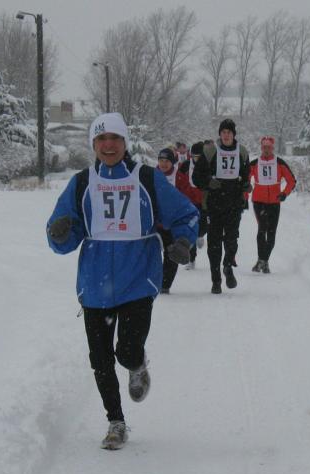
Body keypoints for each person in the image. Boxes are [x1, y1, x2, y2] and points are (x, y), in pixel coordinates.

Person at [47, 113, 199, 450]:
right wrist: (59, 234)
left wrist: (183, 240)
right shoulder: (82, 183)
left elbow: (187, 213)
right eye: (101, 139)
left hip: (137, 280)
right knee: (100, 360)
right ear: (93, 144)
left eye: (115, 138)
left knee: (126, 351)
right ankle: (116, 422)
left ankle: (137, 365)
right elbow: (64, 234)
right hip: (94, 284)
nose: (108, 145)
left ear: (124, 142)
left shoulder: (145, 178)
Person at [192, 119, 250, 294]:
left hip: (234, 203)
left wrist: (246, 185)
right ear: (219, 134)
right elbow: (196, 177)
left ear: (234, 134)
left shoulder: (242, 152)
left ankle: (227, 265)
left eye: (229, 132)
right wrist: (209, 182)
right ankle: (216, 280)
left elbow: (246, 174)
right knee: (214, 243)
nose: (226, 135)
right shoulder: (210, 151)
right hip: (214, 204)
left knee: (232, 239)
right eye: (223, 132)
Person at [248, 136, 297, 273]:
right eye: (264, 147)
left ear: (272, 148)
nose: (266, 150)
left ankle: (263, 261)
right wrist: (246, 189)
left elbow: (292, 181)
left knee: (271, 232)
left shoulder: (279, 163)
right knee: (262, 229)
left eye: (269, 147)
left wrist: (284, 193)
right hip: (259, 201)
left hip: (275, 202)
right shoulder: (254, 163)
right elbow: (245, 179)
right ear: (261, 148)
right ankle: (262, 261)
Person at [156, 147, 186, 293]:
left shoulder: (179, 177)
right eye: (161, 160)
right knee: (151, 254)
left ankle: (165, 285)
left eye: (167, 161)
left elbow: (186, 198)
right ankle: (152, 281)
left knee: (172, 254)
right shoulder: (151, 175)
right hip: (155, 223)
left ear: (172, 162)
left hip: (172, 224)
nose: (163, 164)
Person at [175, 141, 206, 269]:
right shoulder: (185, 166)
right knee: (190, 230)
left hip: (204, 202)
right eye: (194, 156)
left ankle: (201, 235)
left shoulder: (209, 165)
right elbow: (179, 181)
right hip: (189, 202)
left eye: (199, 157)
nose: (196, 159)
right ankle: (191, 259)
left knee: (203, 227)